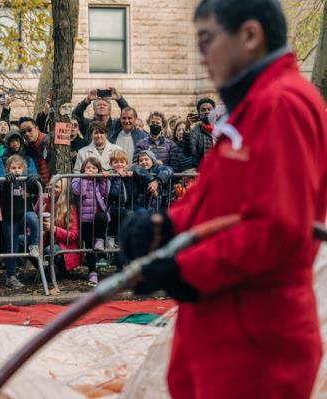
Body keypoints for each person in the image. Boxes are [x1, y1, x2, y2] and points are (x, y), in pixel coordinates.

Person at [121, 1, 327, 398]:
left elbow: (278, 229)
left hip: (254, 342)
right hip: (220, 329)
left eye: (207, 39)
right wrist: (165, 227)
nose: (201, 55)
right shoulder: (247, 110)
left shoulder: (282, 105)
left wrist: (184, 270)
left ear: (249, 35)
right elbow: (221, 198)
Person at [0, 155, 41, 289]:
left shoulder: (26, 181)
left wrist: (37, 179)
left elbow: (40, 188)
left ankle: (34, 245)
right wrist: (6, 183)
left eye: (19, 168)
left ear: (24, 169)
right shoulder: (5, 181)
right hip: (10, 219)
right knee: (12, 248)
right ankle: (10, 276)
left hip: (24, 215)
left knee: (33, 217)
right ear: (8, 169)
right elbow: (2, 197)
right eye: (13, 168)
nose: (16, 170)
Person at [71, 157, 110, 285]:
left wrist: (104, 179)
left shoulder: (98, 180)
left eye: (94, 168)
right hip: (84, 218)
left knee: (103, 217)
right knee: (89, 245)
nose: (91, 170)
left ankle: (100, 240)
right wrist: (85, 178)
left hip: (98, 215)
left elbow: (105, 192)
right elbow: (79, 192)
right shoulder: (77, 178)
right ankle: (92, 271)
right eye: (88, 168)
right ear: (83, 169)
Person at [37, 178, 82, 280]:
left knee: (49, 250)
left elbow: (73, 234)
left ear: (63, 190)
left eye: (56, 186)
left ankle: (61, 272)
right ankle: (45, 272)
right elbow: (35, 219)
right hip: (47, 241)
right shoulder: (45, 201)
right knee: (24, 241)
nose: (52, 189)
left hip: (65, 245)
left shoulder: (70, 207)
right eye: (51, 185)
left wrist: (55, 229)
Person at [108, 150, 132, 249]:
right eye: (116, 162)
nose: (119, 164)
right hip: (112, 206)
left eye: (122, 162)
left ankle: (119, 246)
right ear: (111, 164)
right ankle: (115, 244)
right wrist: (117, 177)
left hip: (123, 206)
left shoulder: (127, 175)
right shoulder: (111, 176)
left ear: (126, 163)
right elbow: (114, 193)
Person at [183, 97, 216, 169]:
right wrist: (187, 128)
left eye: (209, 109)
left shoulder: (223, 128)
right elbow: (188, 152)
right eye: (203, 110)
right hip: (204, 172)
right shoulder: (196, 131)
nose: (207, 111)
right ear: (199, 113)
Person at [20, 116, 51, 185]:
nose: (27, 134)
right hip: (39, 187)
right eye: (23, 132)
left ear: (37, 128)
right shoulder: (26, 147)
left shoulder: (48, 142)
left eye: (29, 130)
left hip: (53, 186)